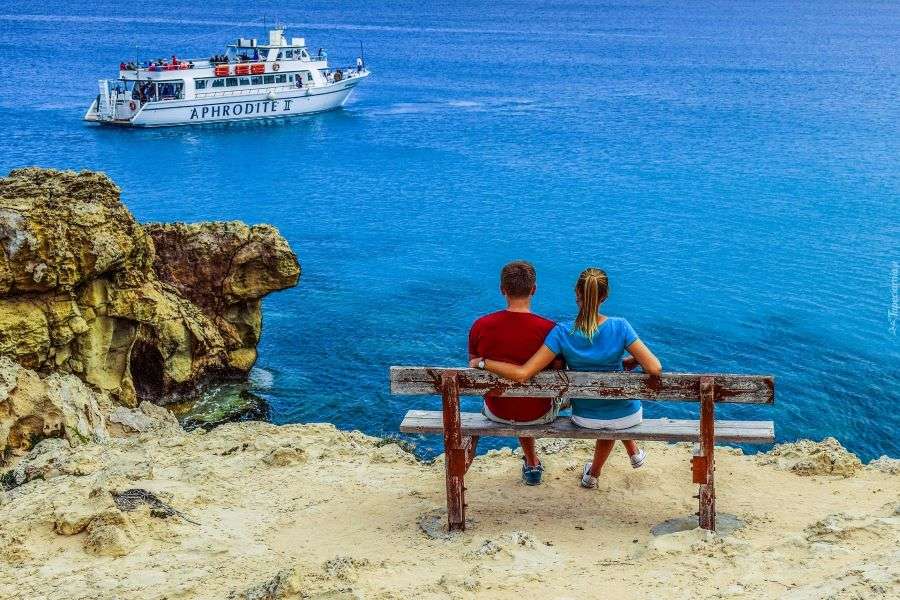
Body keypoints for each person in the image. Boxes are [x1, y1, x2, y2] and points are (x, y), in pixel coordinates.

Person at [469, 267, 661, 489]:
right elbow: (655, 368)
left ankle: (540, 464)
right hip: (628, 415)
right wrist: (630, 360)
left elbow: (524, 374)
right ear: (605, 296)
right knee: (610, 408)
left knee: (580, 403)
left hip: (583, 417)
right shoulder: (620, 326)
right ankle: (619, 459)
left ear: (576, 293)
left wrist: (483, 362)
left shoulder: (561, 332)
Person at [468, 261, 564, 486]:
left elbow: (472, 364)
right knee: (539, 394)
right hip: (538, 412)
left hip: (496, 410)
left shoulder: (480, 326)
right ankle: (531, 462)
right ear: (534, 289)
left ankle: (532, 463)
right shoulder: (550, 329)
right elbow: (559, 372)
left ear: (502, 290)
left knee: (516, 393)